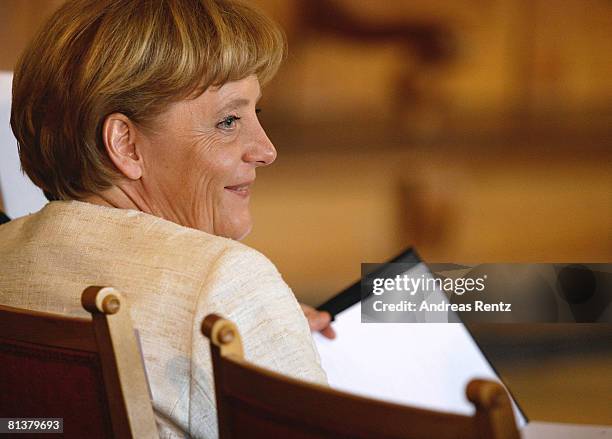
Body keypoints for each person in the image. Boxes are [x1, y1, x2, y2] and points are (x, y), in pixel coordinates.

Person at [0, 0, 333, 437]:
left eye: (258, 114)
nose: (266, 150)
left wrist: (269, 325)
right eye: (229, 120)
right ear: (125, 144)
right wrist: (244, 305)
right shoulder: (224, 279)